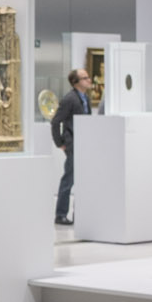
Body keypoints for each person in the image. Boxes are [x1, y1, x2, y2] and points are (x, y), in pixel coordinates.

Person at [50, 68, 92, 225]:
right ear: (76, 82)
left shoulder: (84, 98)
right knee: (69, 179)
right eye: (85, 78)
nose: (89, 80)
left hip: (83, 143)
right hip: (73, 144)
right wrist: (60, 142)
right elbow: (55, 121)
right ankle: (60, 214)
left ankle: (78, 214)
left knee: (81, 180)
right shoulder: (70, 99)